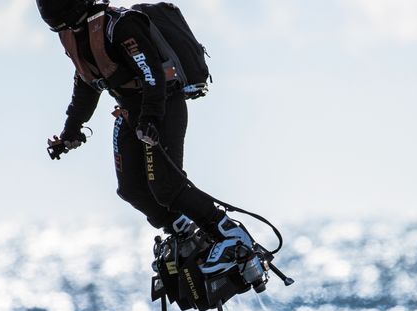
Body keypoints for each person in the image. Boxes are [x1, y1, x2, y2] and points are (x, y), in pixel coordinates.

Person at [38, 0, 256, 277]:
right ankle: (183, 231)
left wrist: (150, 119)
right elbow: (86, 82)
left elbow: (152, 73)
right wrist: (71, 130)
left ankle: (231, 235)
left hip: (162, 104)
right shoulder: (73, 32)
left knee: (166, 186)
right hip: (130, 111)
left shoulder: (120, 25)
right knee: (131, 189)